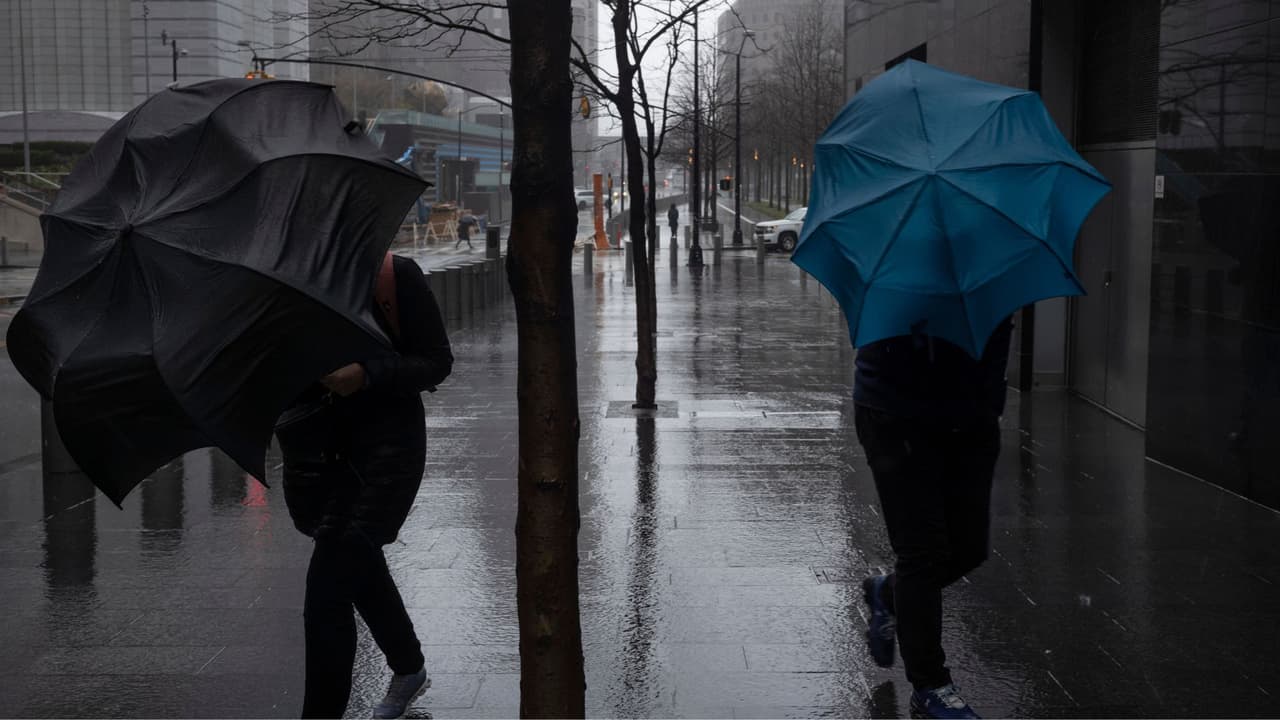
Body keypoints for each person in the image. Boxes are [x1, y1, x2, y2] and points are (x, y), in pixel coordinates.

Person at [275, 253, 453, 719]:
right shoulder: (287, 282)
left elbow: (436, 361)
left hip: (384, 458)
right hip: (318, 460)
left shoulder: (392, 276)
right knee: (359, 568)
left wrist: (367, 374)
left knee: (328, 593)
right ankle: (409, 667)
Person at [854, 318, 1014, 720]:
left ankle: (889, 594)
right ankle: (930, 687)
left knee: (968, 548)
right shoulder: (896, 264)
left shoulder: (988, 262)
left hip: (970, 419)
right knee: (921, 553)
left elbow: (998, 332)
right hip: (895, 413)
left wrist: (989, 407)